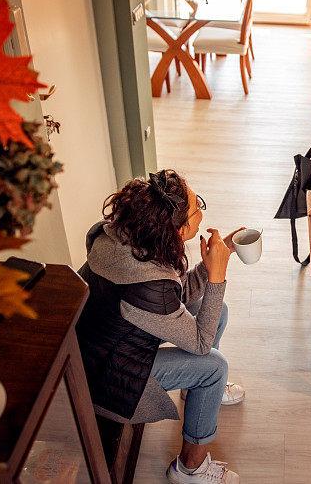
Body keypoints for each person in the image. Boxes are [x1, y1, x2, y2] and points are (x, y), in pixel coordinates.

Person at [76, 169, 244, 484]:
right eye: (197, 210)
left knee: (215, 310)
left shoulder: (123, 236)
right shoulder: (146, 284)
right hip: (109, 379)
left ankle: (201, 393)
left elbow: (172, 292)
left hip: (100, 346)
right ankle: (190, 468)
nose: (201, 216)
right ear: (177, 230)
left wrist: (214, 262)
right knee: (214, 366)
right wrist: (217, 274)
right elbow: (201, 344)